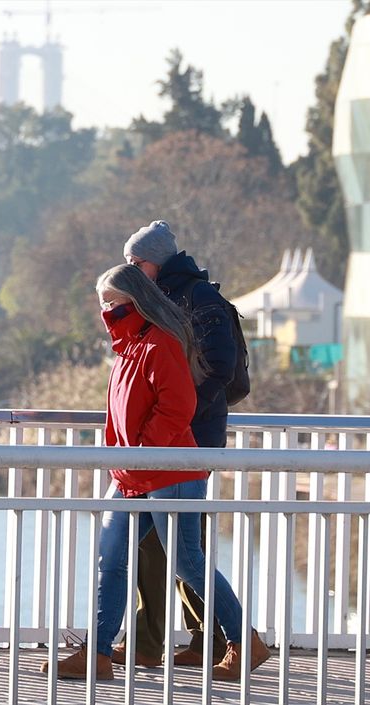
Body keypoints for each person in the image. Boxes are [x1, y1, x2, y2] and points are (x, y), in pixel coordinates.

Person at [42, 264, 254, 681]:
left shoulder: (159, 343)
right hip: (133, 473)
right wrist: (127, 458)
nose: (105, 310)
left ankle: (244, 642)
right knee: (112, 559)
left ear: (134, 301)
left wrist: (141, 450)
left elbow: (178, 407)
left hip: (169, 471)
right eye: (103, 302)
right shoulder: (130, 346)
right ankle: (98, 654)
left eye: (111, 302)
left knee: (186, 562)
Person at [118, 220, 269, 680]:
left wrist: (174, 416)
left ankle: (192, 640)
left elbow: (218, 367)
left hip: (186, 441)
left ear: (156, 261)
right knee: (174, 544)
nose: (130, 269)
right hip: (175, 440)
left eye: (136, 262)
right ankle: (203, 639)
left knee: (170, 546)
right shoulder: (171, 296)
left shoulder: (197, 299)